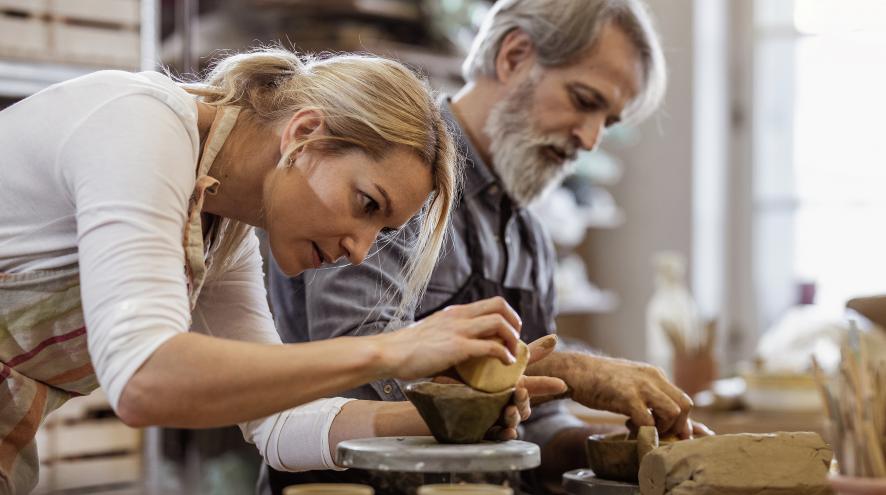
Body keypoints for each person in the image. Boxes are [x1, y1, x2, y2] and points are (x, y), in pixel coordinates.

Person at [0, 47, 566, 494]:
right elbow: (143, 380)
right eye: (367, 204)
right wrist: (394, 349)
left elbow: (275, 426)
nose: (361, 251)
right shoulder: (137, 127)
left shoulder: (224, 229)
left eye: (383, 231)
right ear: (304, 135)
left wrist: (445, 417)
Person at [267, 0, 713, 492]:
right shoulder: (391, 177)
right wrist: (569, 367)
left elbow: (530, 432)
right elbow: (358, 367)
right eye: (585, 100)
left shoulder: (529, 239)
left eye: (607, 123)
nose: (589, 140)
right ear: (514, 56)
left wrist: (620, 452)